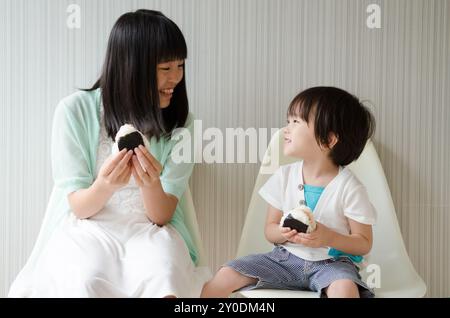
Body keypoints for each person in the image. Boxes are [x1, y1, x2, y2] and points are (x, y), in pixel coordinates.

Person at [9, 9, 210, 298]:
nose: (176, 78)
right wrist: (106, 185)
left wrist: (151, 183)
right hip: (88, 226)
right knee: (85, 279)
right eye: (166, 69)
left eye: (180, 66)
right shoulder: (74, 111)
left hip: (151, 230)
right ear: (132, 67)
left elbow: (162, 215)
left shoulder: (183, 123)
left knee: (162, 275)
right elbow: (79, 206)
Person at [201, 86, 377, 298]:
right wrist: (283, 234)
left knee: (345, 290)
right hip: (284, 259)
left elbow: (363, 243)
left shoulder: (350, 187)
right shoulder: (283, 176)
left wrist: (329, 237)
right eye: (288, 121)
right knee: (225, 275)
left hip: (332, 265)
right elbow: (270, 230)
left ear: (329, 140)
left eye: (296, 122)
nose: (287, 129)